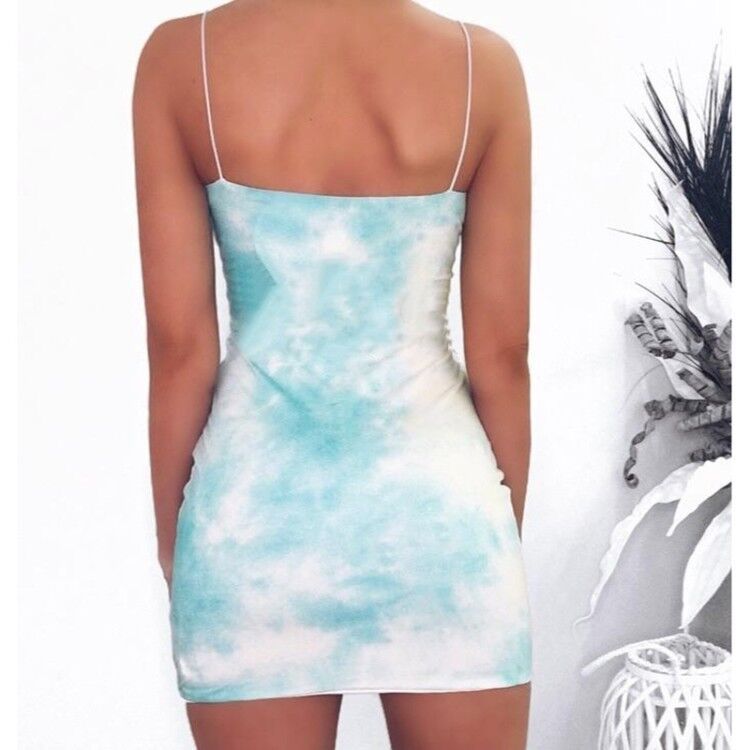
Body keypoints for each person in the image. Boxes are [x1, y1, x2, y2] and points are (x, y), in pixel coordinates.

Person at [133, 1, 533, 747]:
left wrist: (175, 538)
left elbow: (179, 349)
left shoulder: (182, 58)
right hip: (440, 524)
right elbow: (504, 356)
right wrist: (497, 537)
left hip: (251, 530)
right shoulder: (485, 70)